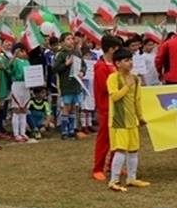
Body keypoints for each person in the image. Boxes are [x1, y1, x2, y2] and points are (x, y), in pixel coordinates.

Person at [105, 48, 150, 192]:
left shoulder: (136, 79)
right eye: (126, 60)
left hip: (132, 121)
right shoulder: (113, 78)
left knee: (133, 151)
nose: (130, 63)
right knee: (120, 150)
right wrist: (127, 86)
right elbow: (114, 97)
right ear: (117, 63)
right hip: (118, 121)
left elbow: (137, 100)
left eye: (131, 60)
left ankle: (132, 178)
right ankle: (114, 180)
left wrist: (140, 117)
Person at [91, 35, 121, 181]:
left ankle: (113, 165)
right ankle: (98, 168)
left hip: (117, 107)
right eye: (117, 49)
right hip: (106, 108)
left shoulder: (115, 65)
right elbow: (105, 88)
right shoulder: (101, 67)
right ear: (110, 49)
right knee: (104, 139)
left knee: (117, 138)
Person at [51, 33, 84, 140]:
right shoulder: (61, 54)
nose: (71, 41)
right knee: (67, 106)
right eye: (68, 39)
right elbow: (55, 68)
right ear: (62, 42)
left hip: (76, 84)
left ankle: (71, 129)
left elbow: (84, 65)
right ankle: (64, 130)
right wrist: (66, 64)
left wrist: (82, 72)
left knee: (74, 107)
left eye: (72, 39)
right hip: (66, 84)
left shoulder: (77, 53)